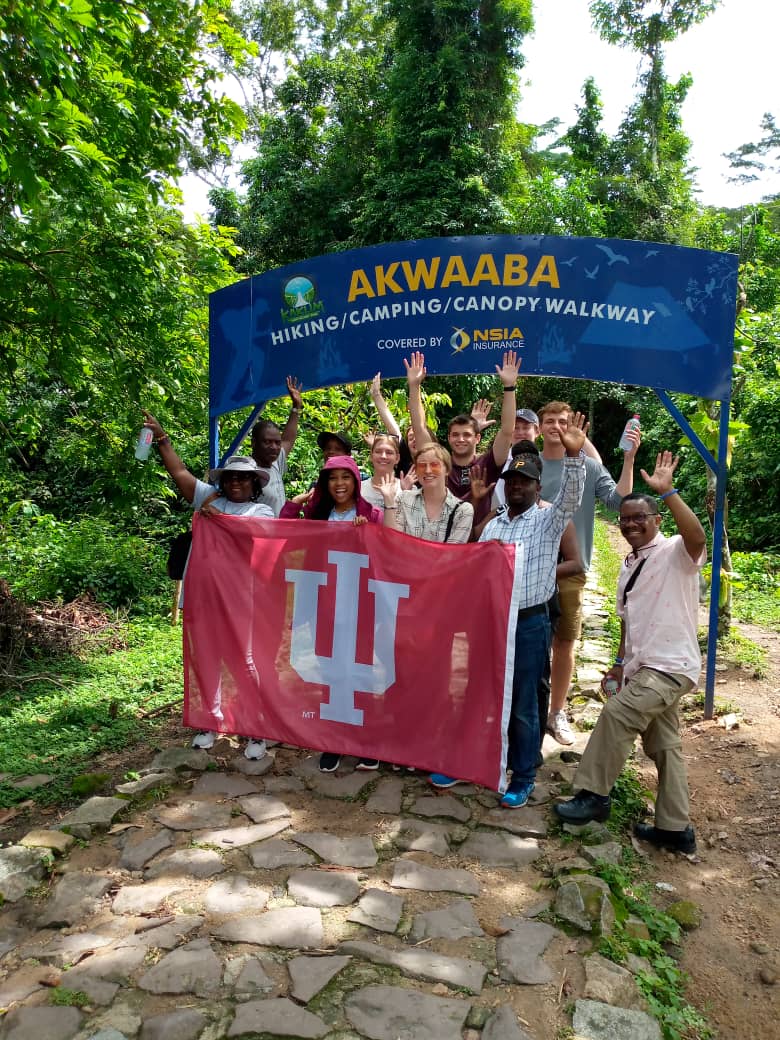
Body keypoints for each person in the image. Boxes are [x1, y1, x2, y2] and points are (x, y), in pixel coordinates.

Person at [427, 417, 587, 804]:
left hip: (530, 623)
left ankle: (522, 775)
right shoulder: (495, 527)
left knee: (522, 701)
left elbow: (570, 498)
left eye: (525, 482)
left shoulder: (548, 522)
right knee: (478, 693)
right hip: (491, 623)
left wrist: (574, 454)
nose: (517, 486)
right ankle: (469, 761)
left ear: (536, 486)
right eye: (512, 481)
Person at [554, 453, 706, 855]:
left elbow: (697, 538)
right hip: (643, 667)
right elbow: (627, 619)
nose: (631, 524)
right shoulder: (628, 565)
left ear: (657, 520)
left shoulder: (675, 552)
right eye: (625, 518)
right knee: (665, 745)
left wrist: (668, 491)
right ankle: (675, 828)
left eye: (640, 517)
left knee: (617, 714)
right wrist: (620, 664)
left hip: (670, 666)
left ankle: (593, 794)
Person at [141, 411, 274, 760]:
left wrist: (221, 520)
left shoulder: (262, 513)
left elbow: (256, 540)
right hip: (201, 596)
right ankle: (210, 721)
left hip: (241, 600)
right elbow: (179, 473)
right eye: (231, 478)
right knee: (206, 658)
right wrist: (163, 439)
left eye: (244, 479)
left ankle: (254, 728)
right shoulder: (209, 499)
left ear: (255, 483)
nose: (236, 483)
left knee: (243, 660)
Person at [538, 401, 639, 745]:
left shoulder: (590, 467)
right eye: (549, 420)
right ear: (539, 428)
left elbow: (618, 502)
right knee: (531, 643)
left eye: (562, 421)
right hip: (531, 569)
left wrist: (628, 458)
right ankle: (531, 710)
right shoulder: (529, 466)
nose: (556, 426)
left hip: (570, 571)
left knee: (564, 642)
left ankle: (556, 712)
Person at [280, 454, 382, 773]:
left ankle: (365, 741)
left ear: (356, 482)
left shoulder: (371, 515)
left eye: (346, 477)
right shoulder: (316, 517)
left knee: (359, 672)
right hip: (324, 605)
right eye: (333, 478)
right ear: (325, 483)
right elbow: (283, 536)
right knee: (331, 673)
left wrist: (368, 534)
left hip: (360, 606)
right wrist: (292, 504)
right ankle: (335, 741)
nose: (340, 484)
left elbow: (384, 555)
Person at [405, 350, 521, 528]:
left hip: (477, 541)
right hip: (442, 538)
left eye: (466, 434)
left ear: (477, 438)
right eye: (455, 434)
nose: (461, 439)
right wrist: (414, 386)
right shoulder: (438, 462)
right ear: (449, 438)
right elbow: (419, 428)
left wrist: (509, 386)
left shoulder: (488, 462)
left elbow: (507, 430)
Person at [379, 442, 473, 544]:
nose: (428, 471)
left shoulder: (463, 510)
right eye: (422, 466)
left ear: (447, 470)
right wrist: (388, 501)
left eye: (434, 465)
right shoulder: (404, 499)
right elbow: (392, 542)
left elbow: (451, 554)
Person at [250, 375, 304, 516]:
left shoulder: (274, 462)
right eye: (267, 442)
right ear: (254, 443)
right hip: (259, 536)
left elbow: (288, 440)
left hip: (278, 534)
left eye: (276, 442)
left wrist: (296, 407)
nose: (274, 447)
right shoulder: (247, 473)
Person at [361, 434, 411, 513]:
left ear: (397, 458)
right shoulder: (359, 488)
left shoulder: (407, 488)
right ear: (371, 456)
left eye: (389, 452)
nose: (383, 456)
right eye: (378, 452)